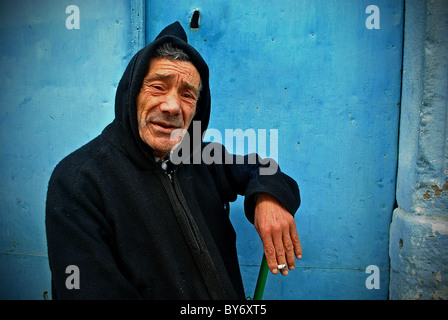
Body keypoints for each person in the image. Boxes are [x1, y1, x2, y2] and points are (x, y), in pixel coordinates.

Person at [45, 21, 302, 300]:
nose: (171, 106)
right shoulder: (78, 181)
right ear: (132, 93)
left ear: (197, 110)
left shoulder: (200, 155)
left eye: (187, 94)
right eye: (157, 87)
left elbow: (262, 169)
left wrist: (268, 197)